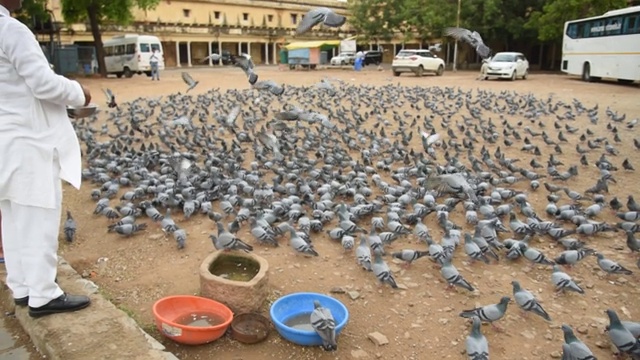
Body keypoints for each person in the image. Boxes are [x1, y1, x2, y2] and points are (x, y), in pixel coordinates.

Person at [0, 0, 92, 318]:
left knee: (12, 218)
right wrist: (80, 93)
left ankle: (22, 287)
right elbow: (43, 84)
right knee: (38, 219)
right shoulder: (11, 30)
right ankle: (43, 295)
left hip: (3, 142)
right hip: (27, 145)